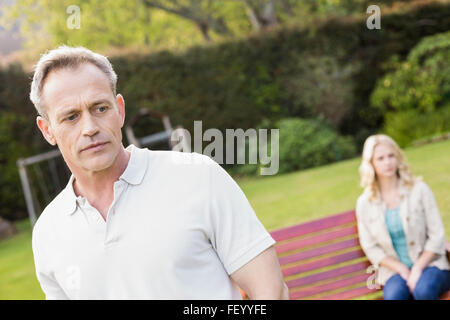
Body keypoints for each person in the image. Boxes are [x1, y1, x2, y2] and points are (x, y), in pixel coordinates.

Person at [29, 45, 289, 300]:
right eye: (71, 117)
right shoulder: (47, 233)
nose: (90, 128)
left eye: (100, 108)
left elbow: (270, 291)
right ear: (47, 130)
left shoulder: (197, 177)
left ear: (119, 110)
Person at [356, 134, 450, 300]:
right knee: (394, 296)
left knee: (424, 291)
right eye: (381, 158)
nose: (388, 162)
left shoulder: (419, 190)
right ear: (370, 163)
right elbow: (370, 247)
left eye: (391, 156)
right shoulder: (365, 203)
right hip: (394, 271)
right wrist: (402, 269)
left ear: (398, 157)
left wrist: (417, 269)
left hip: (431, 264)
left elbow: (437, 236)